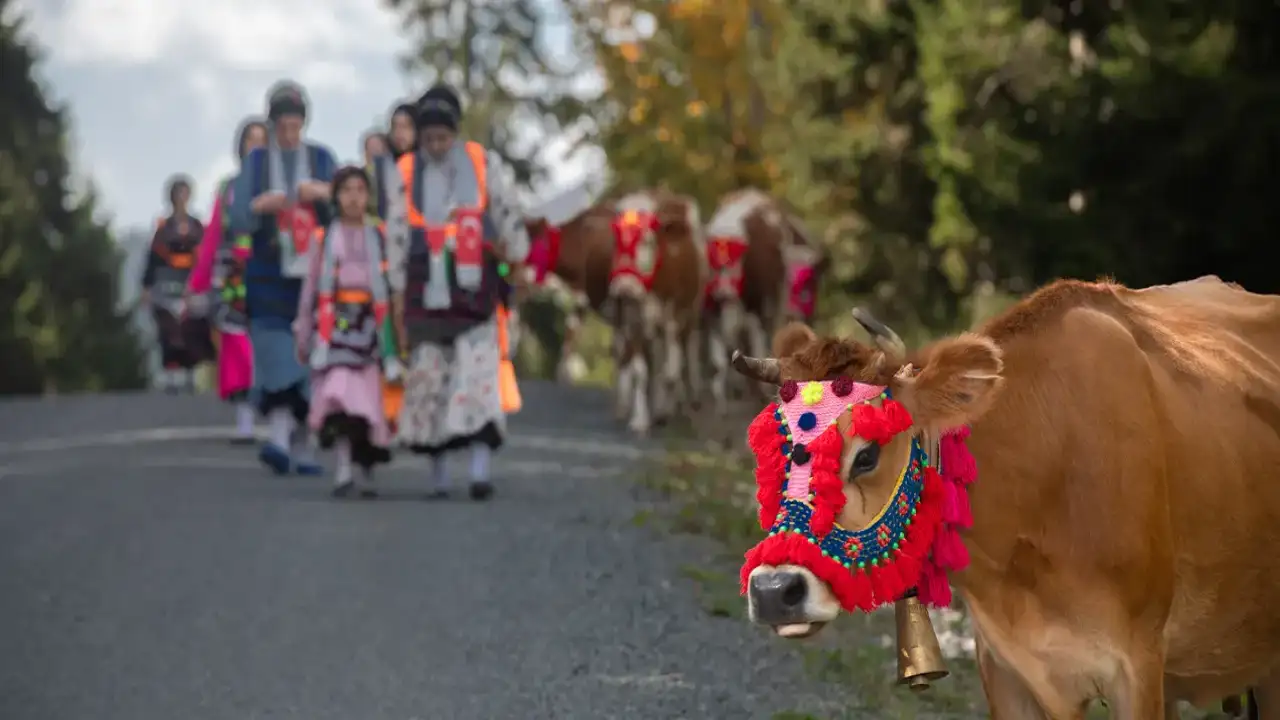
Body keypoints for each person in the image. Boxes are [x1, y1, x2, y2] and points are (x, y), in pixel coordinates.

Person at [388, 84, 530, 500]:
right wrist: (396, 294)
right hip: (424, 292)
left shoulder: (482, 163)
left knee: (477, 377)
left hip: (475, 290)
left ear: (455, 133)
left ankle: (480, 471)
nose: (435, 145)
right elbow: (396, 234)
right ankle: (439, 476)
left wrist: (518, 258)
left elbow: (506, 212)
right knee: (430, 380)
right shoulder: (406, 172)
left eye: (443, 138)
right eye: (428, 138)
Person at [230, 80, 338, 475]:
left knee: (312, 358)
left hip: (313, 276)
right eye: (283, 127)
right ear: (273, 125)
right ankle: (278, 435)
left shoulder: (323, 159)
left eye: (296, 126)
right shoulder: (257, 164)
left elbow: (350, 207)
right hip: (269, 274)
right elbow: (237, 218)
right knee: (276, 353)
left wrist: (322, 195)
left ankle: (304, 444)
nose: (290, 135)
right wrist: (261, 206)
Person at [295, 166, 400, 497]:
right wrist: (304, 331)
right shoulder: (325, 238)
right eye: (346, 190)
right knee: (339, 396)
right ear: (336, 196)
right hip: (336, 325)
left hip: (373, 327)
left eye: (360, 190)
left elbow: (395, 286)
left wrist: (399, 335)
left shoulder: (382, 237)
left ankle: (366, 469)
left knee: (369, 404)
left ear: (368, 197)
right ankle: (342, 468)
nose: (354, 197)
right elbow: (311, 289)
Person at [188, 117, 268, 443]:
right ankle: (245, 420)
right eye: (251, 140)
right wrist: (198, 283)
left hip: (269, 272)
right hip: (232, 274)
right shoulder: (228, 188)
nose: (256, 147)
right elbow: (211, 237)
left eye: (262, 140)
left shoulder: (279, 186)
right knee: (236, 343)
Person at [142, 175, 210, 393]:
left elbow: (205, 256)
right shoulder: (163, 229)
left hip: (191, 284)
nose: (181, 198)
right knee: (168, 330)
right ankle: (171, 374)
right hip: (166, 285)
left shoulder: (197, 226)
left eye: (185, 193)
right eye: (177, 194)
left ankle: (191, 373)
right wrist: (147, 286)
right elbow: (153, 258)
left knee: (192, 329)